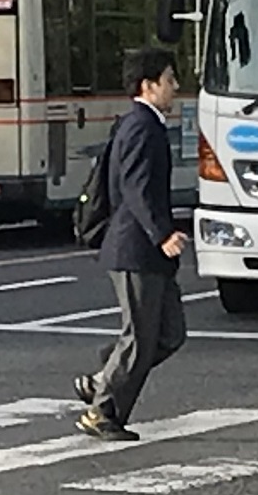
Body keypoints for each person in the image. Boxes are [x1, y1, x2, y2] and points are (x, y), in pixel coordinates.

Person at [75, 47, 189, 442]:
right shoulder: (142, 126)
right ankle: (103, 411)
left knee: (170, 333)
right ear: (149, 85)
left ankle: (105, 378)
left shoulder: (141, 124)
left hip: (144, 249)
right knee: (140, 338)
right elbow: (136, 189)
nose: (175, 87)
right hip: (136, 248)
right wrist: (163, 233)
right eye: (170, 79)